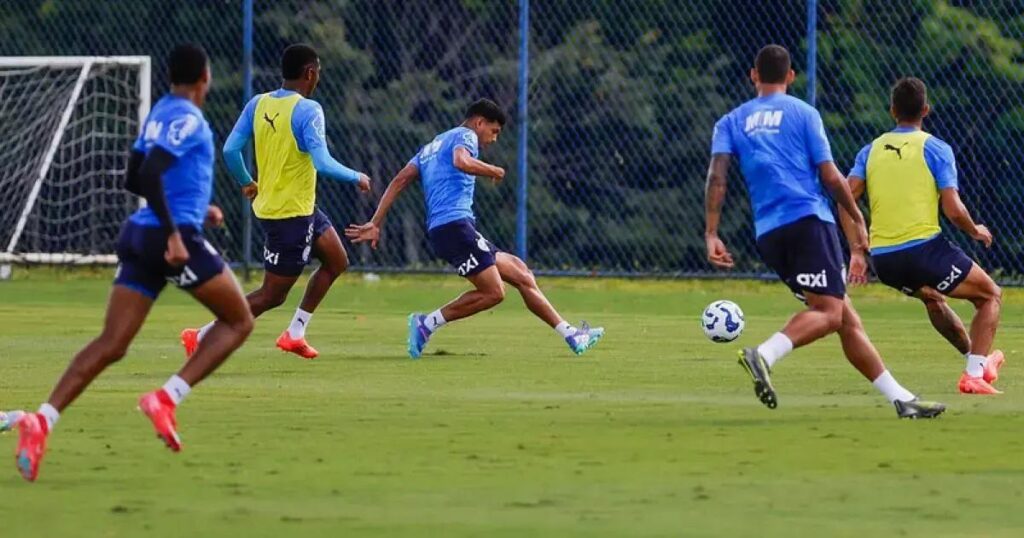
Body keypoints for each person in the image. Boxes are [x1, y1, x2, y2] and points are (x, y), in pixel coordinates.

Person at [3, 44, 254, 482]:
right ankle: (167, 397)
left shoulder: (160, 111)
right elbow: (152, 174)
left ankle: (41, 420)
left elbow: (133, 176)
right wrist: (177, 231)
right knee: (239, 322)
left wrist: (196, 209)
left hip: (138, 233)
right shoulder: (190, 117)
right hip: (167, 238)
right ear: (205, 78)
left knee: (112, 343)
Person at [704, 44, 945, 418]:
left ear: (753, 75)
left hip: (769, 234)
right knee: (830, 314)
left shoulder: (731, 121)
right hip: (808, 221)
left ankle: (902, 399)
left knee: (845, 318)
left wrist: (711, 232)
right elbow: (831, 176)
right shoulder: (803, 113)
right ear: (790, 77)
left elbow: (717, 177)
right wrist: (856, 216)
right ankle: (763, 354)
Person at [345, 99, 604, 358]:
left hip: (451, 229)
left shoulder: (430, 147)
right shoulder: (465, 135)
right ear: (479, 122)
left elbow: (399, 180)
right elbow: (461, 161)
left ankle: (572, 335)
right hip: (455, 228)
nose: (493, 140)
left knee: (522, 274)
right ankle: (426, 323)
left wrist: (376, 221)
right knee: (494, 292)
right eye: (494, 131)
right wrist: (493, 170)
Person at [181, 44, 371, 360]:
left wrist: (246, 182)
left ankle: (295, 333)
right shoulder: (309, 110)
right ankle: (201, 336)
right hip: (289, 215)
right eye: (318, 71)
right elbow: (322, 163)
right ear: (311, 73)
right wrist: (357, 176)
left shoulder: (258, 103)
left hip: (301, 207)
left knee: (336, 260)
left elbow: (230, 150)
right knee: (272, 295)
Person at [841, 77, 1004, 395]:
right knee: (989, 296)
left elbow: (845, 199)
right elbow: (953, 209)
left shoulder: (870, 150)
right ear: (925, 110)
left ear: (892, 111)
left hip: (885, 260)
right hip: (924, 251)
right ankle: (974, 373)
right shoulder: (936, 148)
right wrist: (975, 230)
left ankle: (977, 361)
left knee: (933, 299)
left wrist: (858, 252)